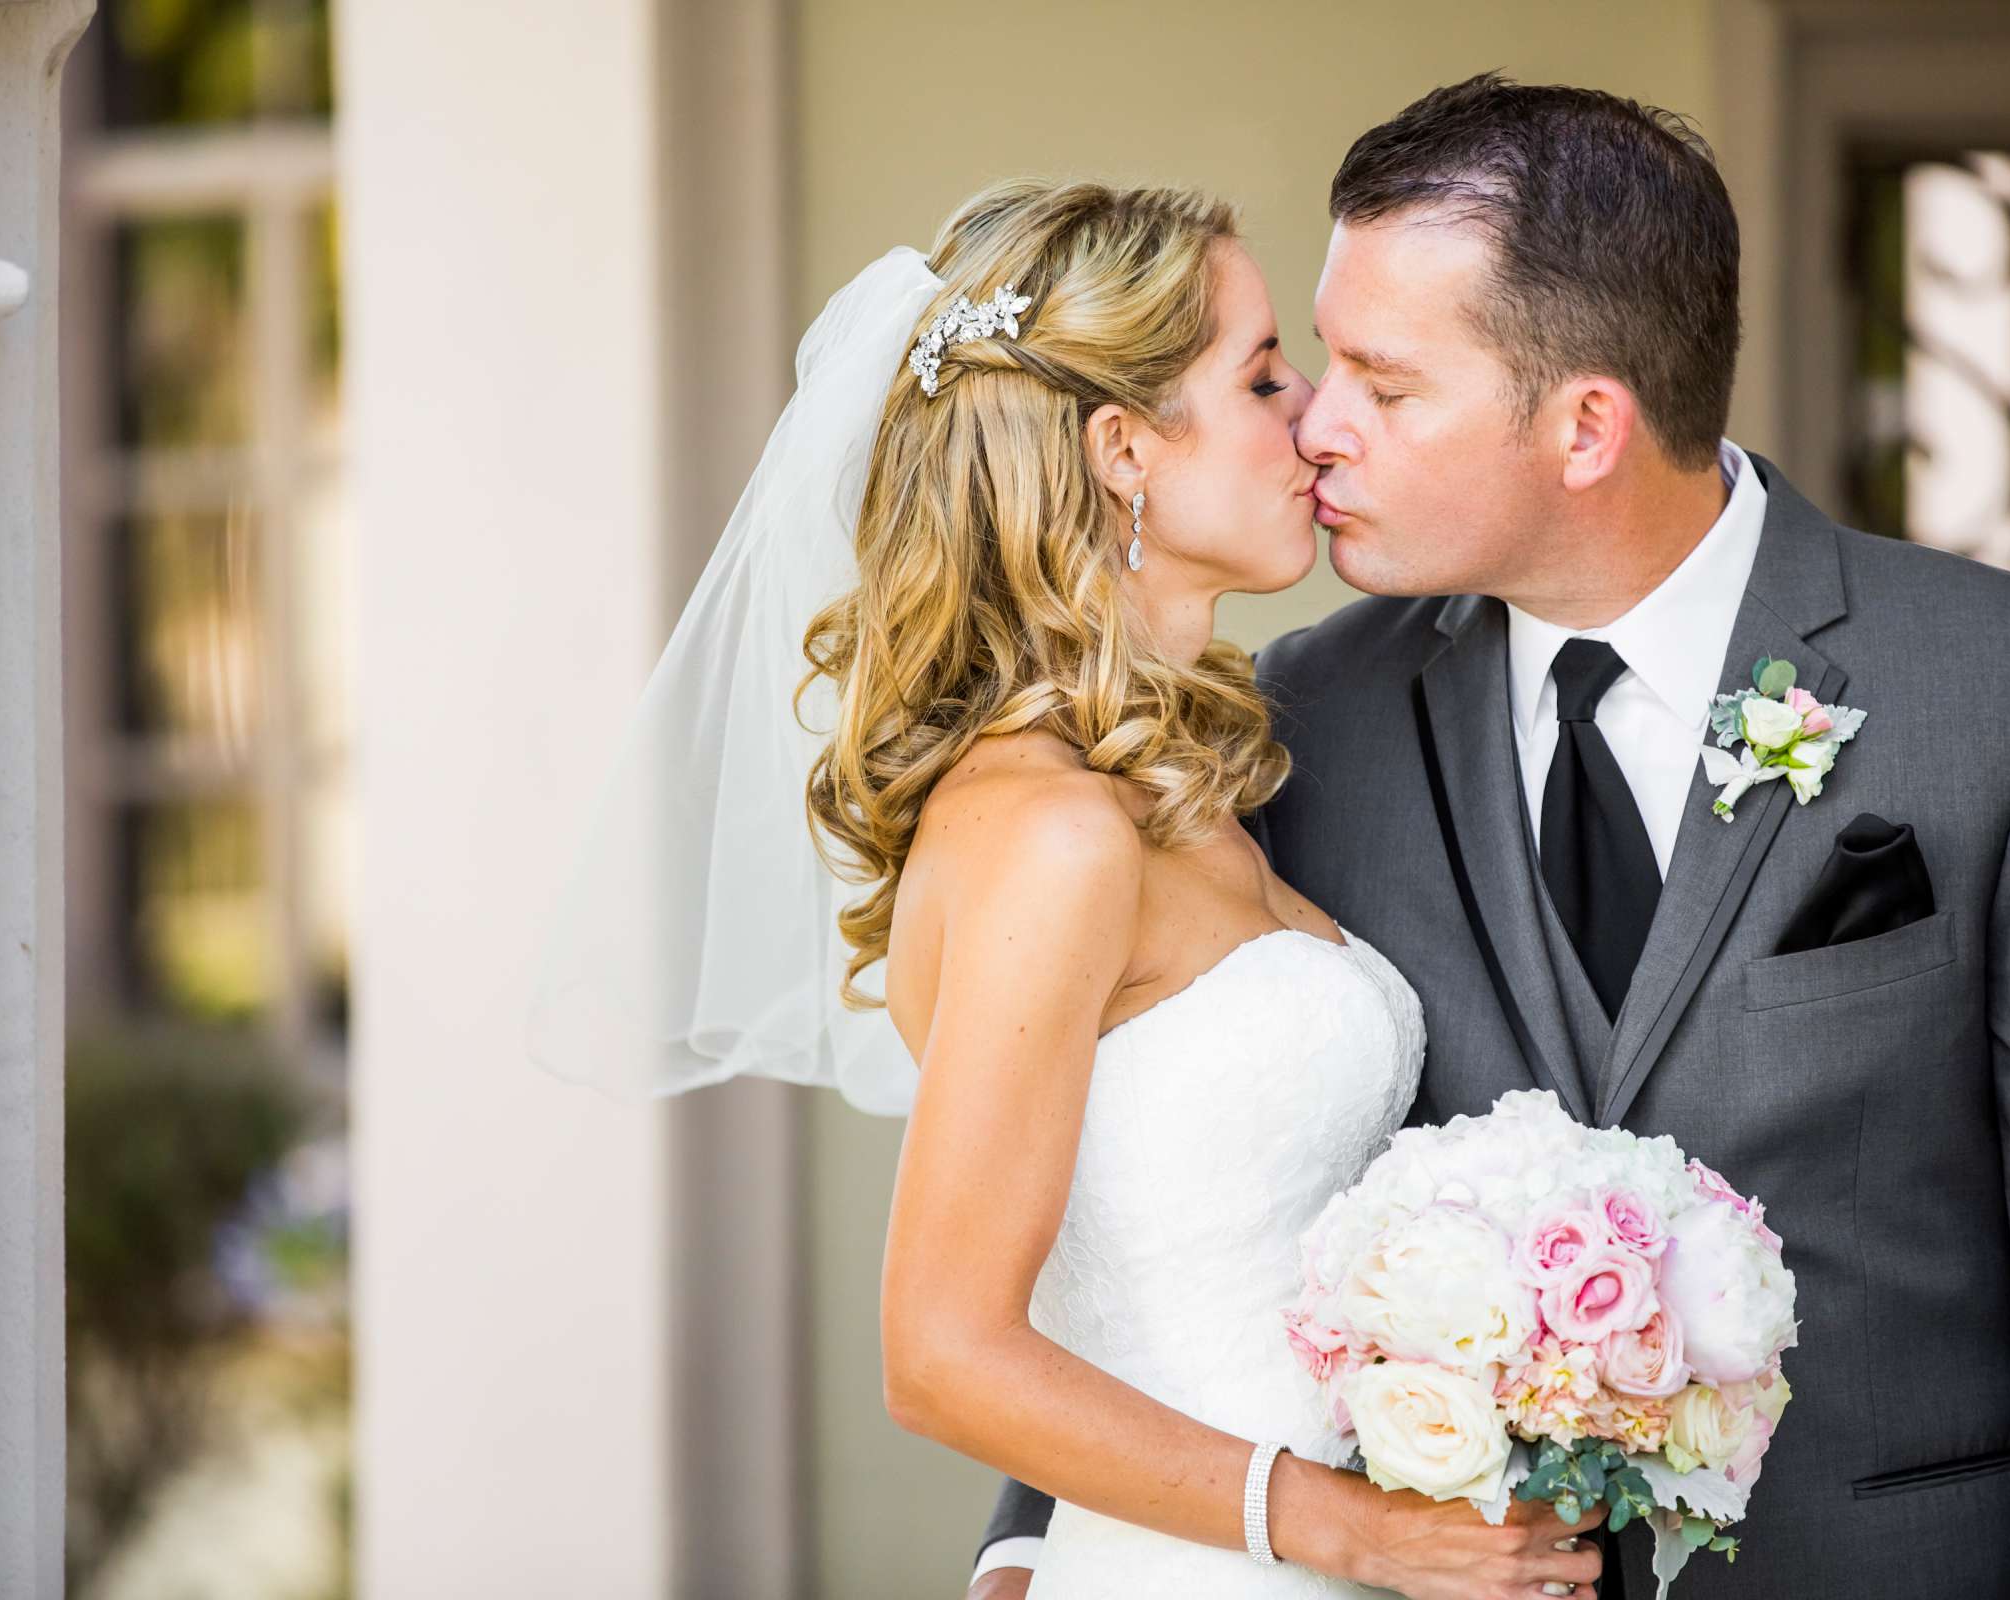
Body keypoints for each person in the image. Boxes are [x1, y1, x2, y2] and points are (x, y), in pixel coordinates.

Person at [973, 73, 2010, 1600]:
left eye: (1386, 381)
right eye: (1315, 362)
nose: (1317, 427)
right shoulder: (1300, 718)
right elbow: (1155, 1141)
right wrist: (1041, 1541)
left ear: (1584, 427)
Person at [530, 176, 1606, 1598]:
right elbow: (941, 1353)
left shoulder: (1184, 791)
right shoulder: (1051, 834)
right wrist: (1353, 1529)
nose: (1314, 419)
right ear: (1122, 449)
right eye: (1264, 372)